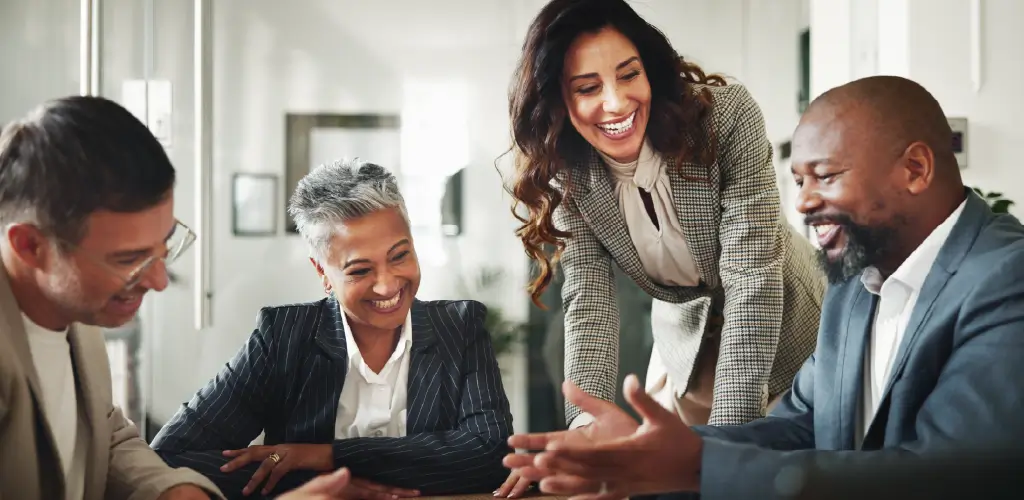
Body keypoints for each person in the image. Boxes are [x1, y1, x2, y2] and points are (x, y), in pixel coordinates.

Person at [503, 75, 1024, 500]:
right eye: (799, 181)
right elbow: (799, 427)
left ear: (915, 169)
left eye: (825, 176)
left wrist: (701, 466)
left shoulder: (1005, 277)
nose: (802, 203)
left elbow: (952, 473)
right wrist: (644, 453)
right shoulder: (854, 284)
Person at [498, 0, 825, 494]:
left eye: (629, 75)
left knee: (764, 481)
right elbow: (590, 305)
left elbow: (752, 281)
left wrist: (723, 455)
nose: (616, 103)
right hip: (683, 345)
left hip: (782, 324)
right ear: (558, 101)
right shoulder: (570, 171)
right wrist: (585, 438)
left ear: (650, 69)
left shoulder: (724, 118)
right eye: (588, 88)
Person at [152, 160, 513, 498]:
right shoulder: (284, 337)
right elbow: (169, 457)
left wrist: (325, 456)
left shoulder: (459, 326)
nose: (387, 286)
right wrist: (322, 483)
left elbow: (489, 452)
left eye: (400, 255)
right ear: (323, 272)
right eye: (359, 270)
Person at [0, 96, 222, 499]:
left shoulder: (75, 310)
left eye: (164, 245)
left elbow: (99, 428)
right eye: (130, 259)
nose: (158, 281)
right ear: (31, 246)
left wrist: (175, 492)